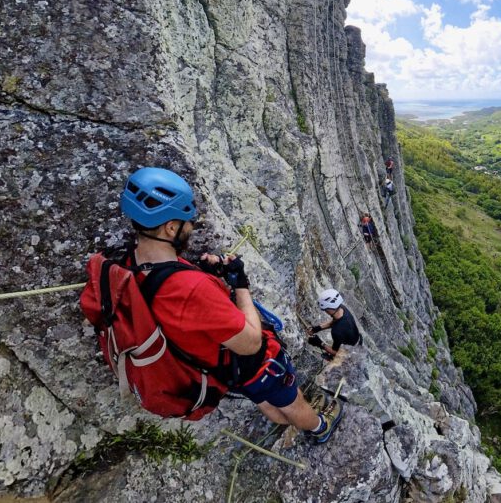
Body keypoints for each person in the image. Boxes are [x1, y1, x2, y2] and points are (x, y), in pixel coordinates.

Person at [116, 167, 342, 443]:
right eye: (189, 222)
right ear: (170, 227)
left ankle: (290, 419)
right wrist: (240, 284)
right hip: (254, 362)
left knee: (265, 399)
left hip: (227, 369)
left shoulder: (132, 264)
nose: (191, 227)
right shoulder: (190, 289)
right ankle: (318, 427)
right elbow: (251, 342)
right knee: (292, 402)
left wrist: (203, 273)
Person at [306, 288, 362, 360]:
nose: (325, 311)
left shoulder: (336, 331)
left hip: (350, 352)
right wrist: (317, 328)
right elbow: (334, 321)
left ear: (329, 309)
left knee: (334, 357)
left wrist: (320, 344)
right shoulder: (342, 309)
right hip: (357, 339)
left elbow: (337, 353)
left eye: (325, 309)